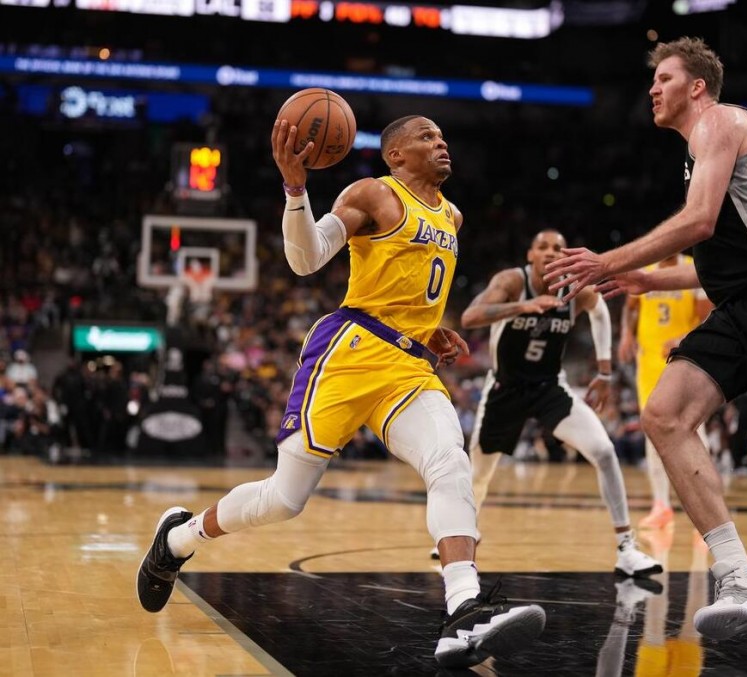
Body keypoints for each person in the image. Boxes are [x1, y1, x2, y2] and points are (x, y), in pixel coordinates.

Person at [136, 115, 545, 669]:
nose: (441, 142)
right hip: (348, 355)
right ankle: (178, 541)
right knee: (284, 500)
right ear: (395, 155)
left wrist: (430, 330)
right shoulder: (373, 194)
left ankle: (463, 610)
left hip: (408, 367)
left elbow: (411, 286)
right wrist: (295, 189)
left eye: (443, 136)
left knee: (450, 460)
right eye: (427, 137)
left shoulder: (452, 215)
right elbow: (306, 259)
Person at [545, 36, 747, 640]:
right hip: (744, 301)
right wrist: (648, 279)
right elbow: (720, 262)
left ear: (698, 86)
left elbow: (699, 222)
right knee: (663, 415)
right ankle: (737, 573)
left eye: (664, 78)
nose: (653, 89)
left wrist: (609, 261)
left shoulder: (721, 122)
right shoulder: (699, 150)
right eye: (652, 80)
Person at [455, 229, 662, 578]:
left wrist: (605, 371)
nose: (550, 252)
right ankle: (461, 536)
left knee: (604, 451)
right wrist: (522, 306)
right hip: (505, 388)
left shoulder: (575, 290)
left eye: (558, 248)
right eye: (543, 247)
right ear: (531, 255)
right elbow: (469, 318)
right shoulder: (512, 282)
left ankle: (626, 548)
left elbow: (599, 311)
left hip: (549, 387)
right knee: (479, 474)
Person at [617, 254, 709, 530]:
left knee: (694, 429)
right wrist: (627, 334)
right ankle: (661, 505)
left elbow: (708, 317)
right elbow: (630, 307)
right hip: (648, 362)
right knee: (652, 429)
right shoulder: (644, 269)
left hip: (685, 359)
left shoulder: (694, 268)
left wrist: (684, 339)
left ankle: (706, 505)